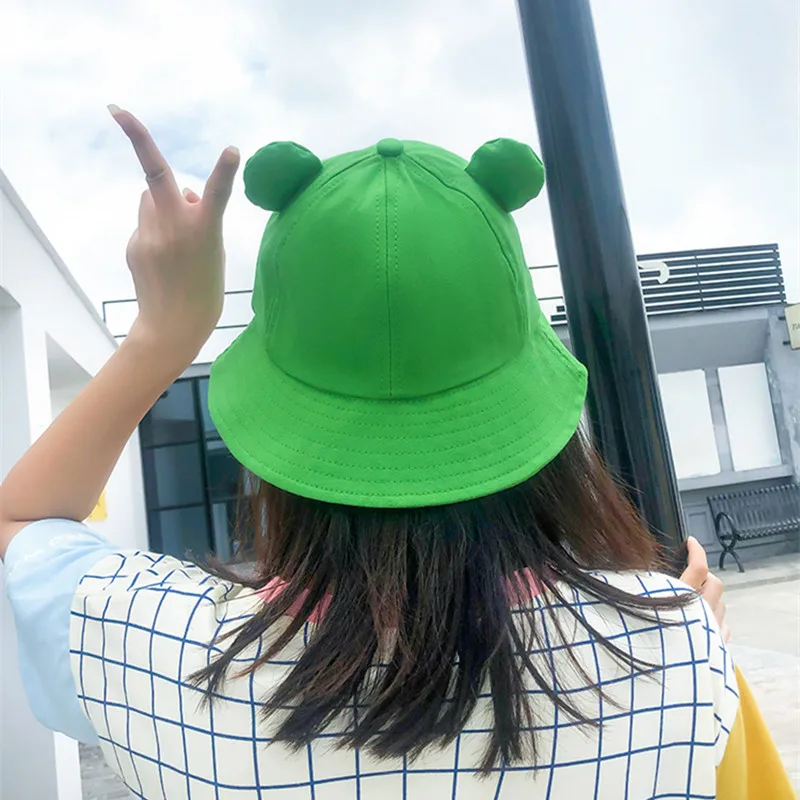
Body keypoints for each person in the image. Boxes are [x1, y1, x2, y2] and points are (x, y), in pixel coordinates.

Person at [0, 107, 794, 800]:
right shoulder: (679, 657)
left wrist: (162, 333)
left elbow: (23, 522)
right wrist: (670, 634)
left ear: (279, 416)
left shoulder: (158, 651)